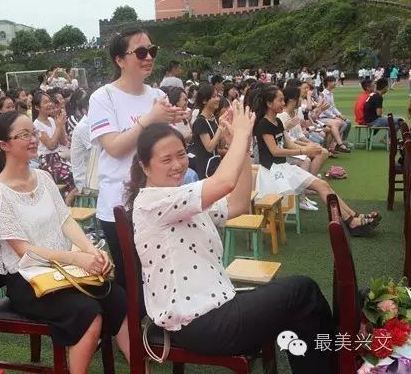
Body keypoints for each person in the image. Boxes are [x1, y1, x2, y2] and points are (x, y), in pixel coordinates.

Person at [126, 116, 334, 374]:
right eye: (166, 160)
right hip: (200, 323)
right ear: (145, 167)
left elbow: (237, 205)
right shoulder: (153, 202)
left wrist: (242, 148)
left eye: (181, 155)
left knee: (299, 304)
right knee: (303, 290)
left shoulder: (181, 197)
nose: (178, 165)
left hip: (216, 307)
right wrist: (244, 134)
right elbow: (224, 183)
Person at [0, 110, 130, 374]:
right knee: (88, 313)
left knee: (117, 297)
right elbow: (23, 251)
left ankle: (140, 369)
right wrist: (76, 257)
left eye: (33, 133)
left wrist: (91, 251)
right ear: (3, 145)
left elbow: (66, 221)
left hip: (63, 272)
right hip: (29, 282)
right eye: (24, 135)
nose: (33, 139)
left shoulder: (44, 178)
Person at [87, 27, 189, 288]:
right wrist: (149, 120)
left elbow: (171, 145)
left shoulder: (157, 96)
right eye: (141, 52)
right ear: (119, 60)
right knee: (131, 280)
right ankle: (129, 329)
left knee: (163, 272)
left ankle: (160, 327)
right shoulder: (103, 97)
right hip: (120, 205)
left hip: (158, 200)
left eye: (152, 51)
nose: (148, 57)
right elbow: (114, 147)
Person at [252, 84, 379, 237]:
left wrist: (310, 146)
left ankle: (354, 217)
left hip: (283, 168)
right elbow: (275, 151)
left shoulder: (277, 122)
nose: (283, 103)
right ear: (269, 103)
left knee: (322, 184)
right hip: (272, 173)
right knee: (321, 185)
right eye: (280, 100)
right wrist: (303, 150)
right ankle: (352, 221)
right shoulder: (263, 124)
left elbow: (288, 144)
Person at [32, 91, 77, 205]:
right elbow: (51, 145)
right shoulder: (36, 124)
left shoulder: (52, 120)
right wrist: (58, 126)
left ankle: (67, 204)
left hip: (58, 158)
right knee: (70, 176)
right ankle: (66, 206)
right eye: (45, 102)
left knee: (78, 174)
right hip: (47, 161)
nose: (50, 104)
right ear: (37, 107)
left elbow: (63, 141)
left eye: (50, 101)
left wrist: (60, 124)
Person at [191, 84, 225, 179]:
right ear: (204, 101)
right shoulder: (200, 122)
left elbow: (221, 145)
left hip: (215, 164)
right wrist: (220, 128)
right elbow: (209, 147)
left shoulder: (213, 119)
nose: (218, 99)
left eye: (217, 96)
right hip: (206, 168)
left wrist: (225, 130)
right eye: (214, 96)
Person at [319, 76, 351, 152]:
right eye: (333, 81)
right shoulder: (323, 94)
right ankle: (337, 143)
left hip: (328, 117)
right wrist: (334, 117)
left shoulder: (330, 94)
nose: (335, 83)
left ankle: (337, 142)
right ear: (328, 83)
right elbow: (324, 110)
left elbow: (333, 107)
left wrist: (340, 115)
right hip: (323, 117)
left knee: (347, 122)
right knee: (343, 124)